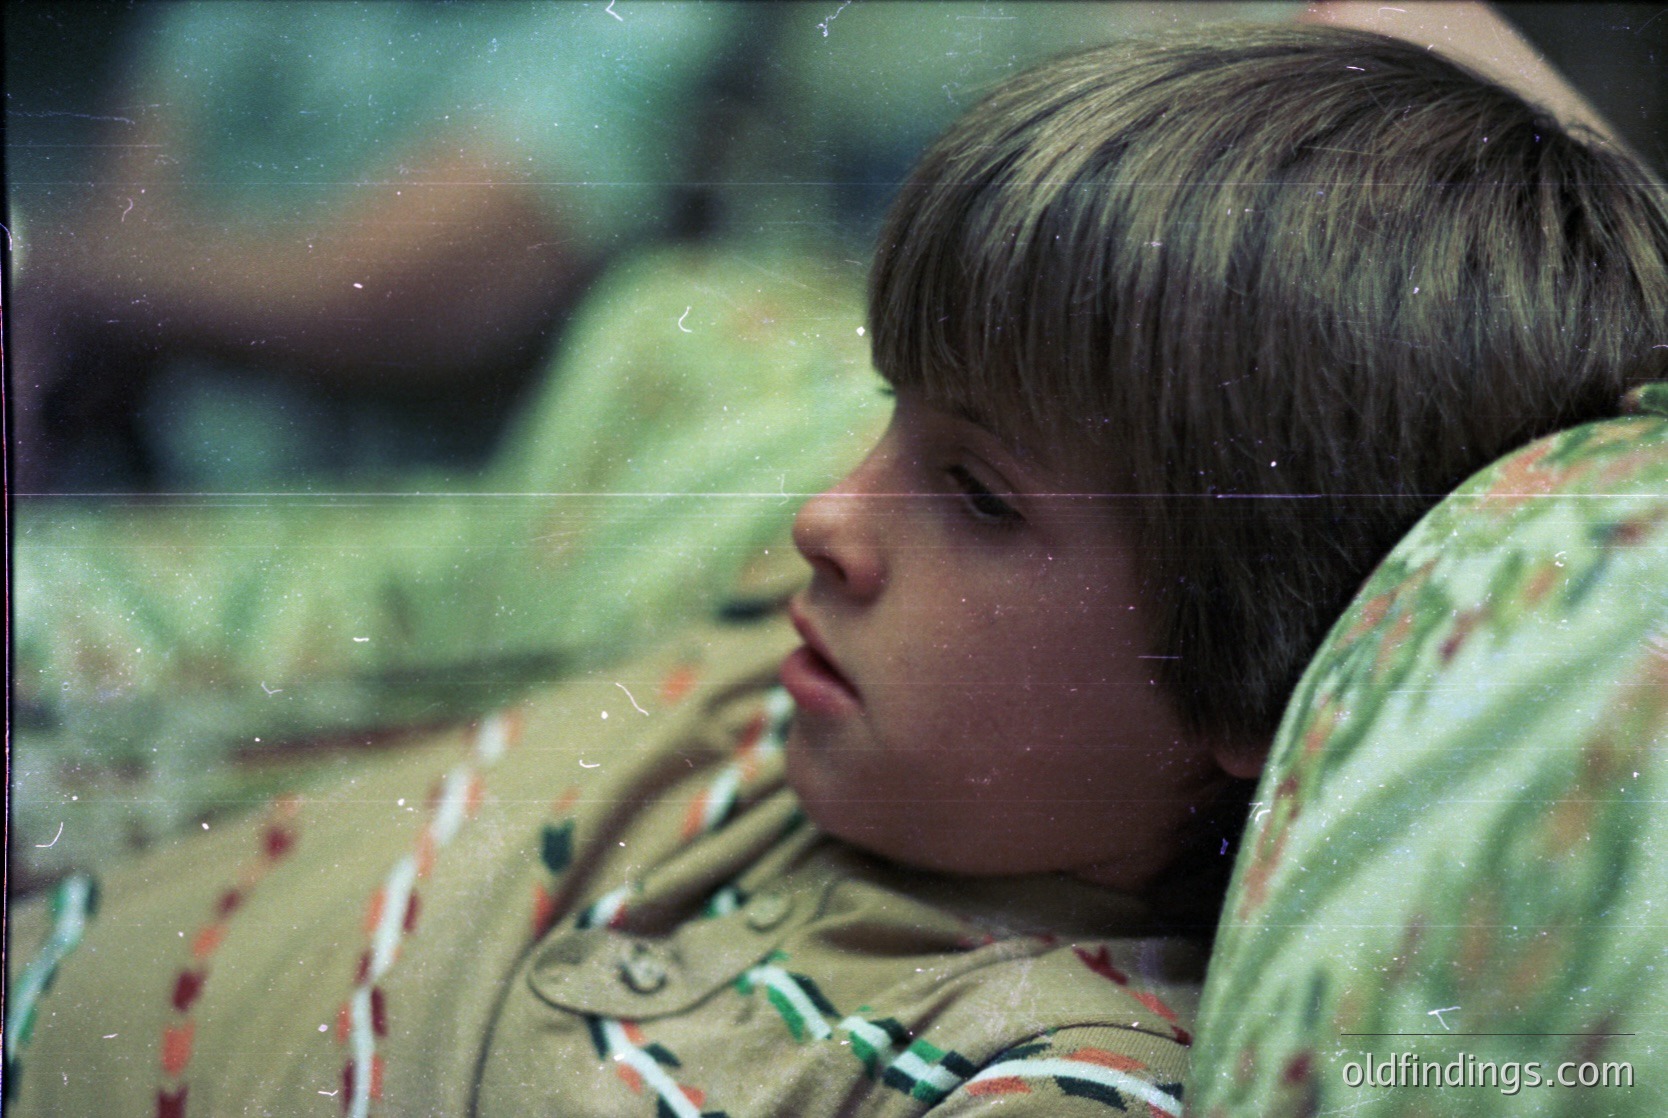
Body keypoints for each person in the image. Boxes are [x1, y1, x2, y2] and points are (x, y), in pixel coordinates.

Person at [7, 25, 1666, 1117]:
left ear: (1260, 671)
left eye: (976, 490)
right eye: (895, 427)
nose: (826, 518)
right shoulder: (814, 684)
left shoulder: (1028, 1073)